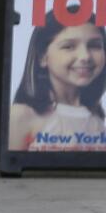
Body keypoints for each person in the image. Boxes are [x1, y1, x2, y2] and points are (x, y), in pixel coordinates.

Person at [10, 9, 106, 151]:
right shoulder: (21, 115)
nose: (85, 56)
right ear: (43, 56)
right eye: (69, 46)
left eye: (95, 45)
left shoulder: (97, 120)